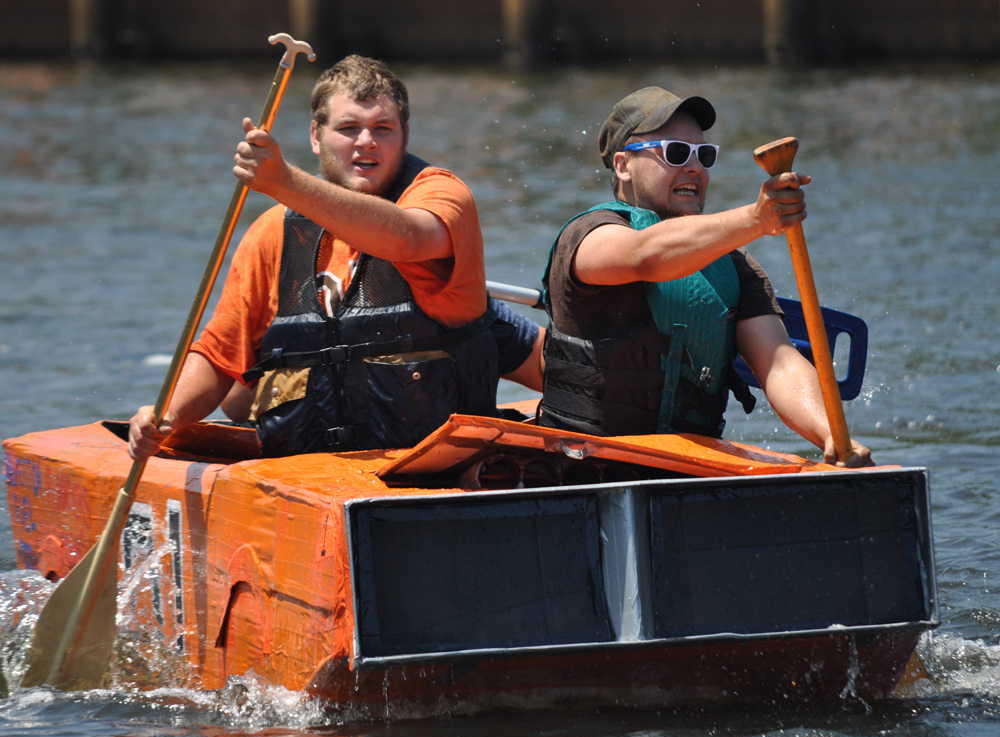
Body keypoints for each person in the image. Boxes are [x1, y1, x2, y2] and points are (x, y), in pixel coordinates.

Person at [129, 55, 543, 460]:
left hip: (432, 466)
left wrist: (285, 181)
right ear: (315, 136)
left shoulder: (442, 194)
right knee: (241, 396)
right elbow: (220, 356)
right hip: (307, 471)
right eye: (348, 128)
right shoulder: (273, 232)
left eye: (383, 128)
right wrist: (167, 416)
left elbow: (408, 239)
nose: (367, 141)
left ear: (405, 134)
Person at [538, 86, 871, 467]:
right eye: (675, 152)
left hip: (686, 470)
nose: (694, 167)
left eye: (704, 154)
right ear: (623, 165)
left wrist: (829, 432)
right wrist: (755, 219)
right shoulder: (589, 235)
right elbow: (646, 255)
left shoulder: (735, 265)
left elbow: (780, 363)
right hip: (578, 465)